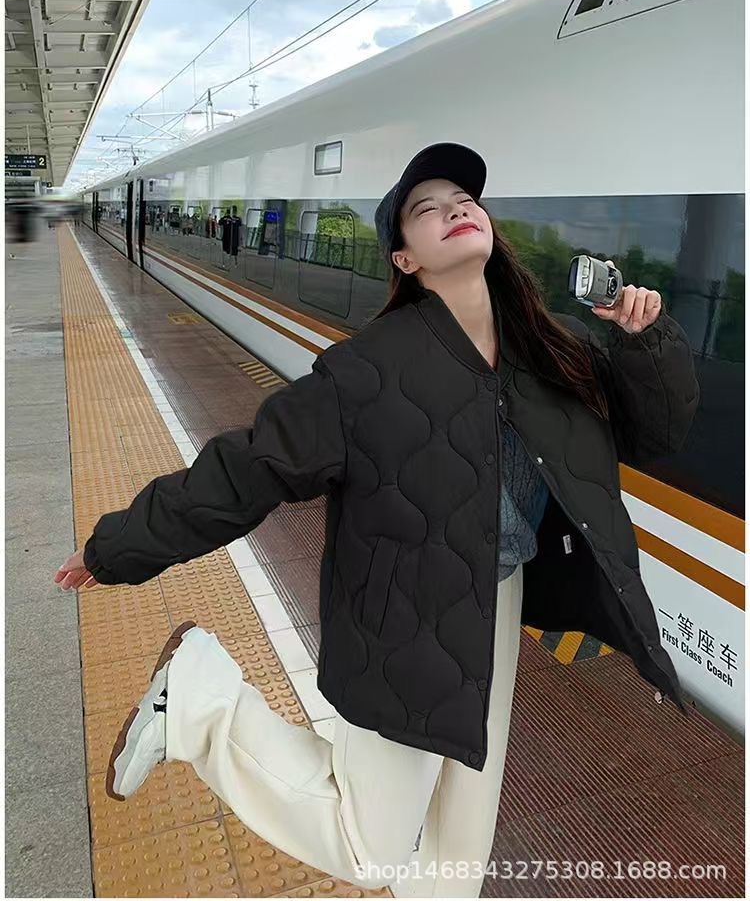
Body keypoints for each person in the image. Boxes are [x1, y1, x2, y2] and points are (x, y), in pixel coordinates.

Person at [54, 142, 699, 897]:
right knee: (370, 846)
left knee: (462, 845)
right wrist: (118, 547)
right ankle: (197, 701)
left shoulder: (550, 351)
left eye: (465, 200)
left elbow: (653, 436)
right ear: (404, 258)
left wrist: (645, 341)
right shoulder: (365, 372)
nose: (455, 210)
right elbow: (246, 469)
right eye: (428, 209)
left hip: (498, 595)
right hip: (405, 616)